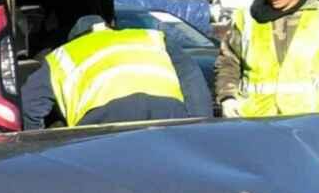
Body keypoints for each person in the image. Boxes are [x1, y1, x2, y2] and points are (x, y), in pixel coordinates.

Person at [18, 15, 214, 129]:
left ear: (74, 38)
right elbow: (193, 81)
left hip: (102, 125)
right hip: (169, 113)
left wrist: (40, 150)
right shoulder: (151, 38)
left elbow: (30, 106)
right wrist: (199, 129)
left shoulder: (63, 55)